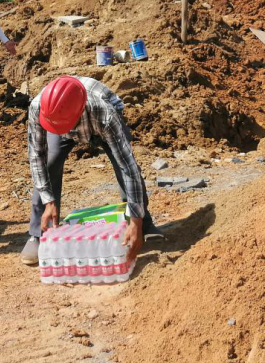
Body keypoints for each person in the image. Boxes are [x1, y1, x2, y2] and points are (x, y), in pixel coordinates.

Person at [21, 75, 163, 267]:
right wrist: (49, 201)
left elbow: (127, 167)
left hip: (97, 120)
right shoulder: (39, 108)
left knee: (122, 165)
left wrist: (136, 221)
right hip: (59, 118)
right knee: (50, 163)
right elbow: (37, 156)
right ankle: (38, 233)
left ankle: (142, 223)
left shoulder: (104, 113)